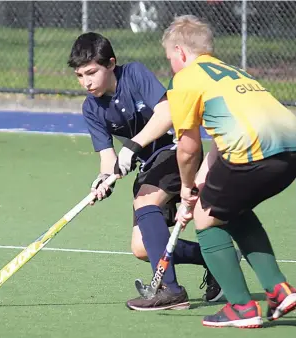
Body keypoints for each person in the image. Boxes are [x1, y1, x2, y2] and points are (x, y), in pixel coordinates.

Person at [116, 14, 296, 327]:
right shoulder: (230, 72)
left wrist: (187, 191)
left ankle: (241, 307)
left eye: (170, 58)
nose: (171, 64)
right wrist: (199, 182)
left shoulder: (185, 79)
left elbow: (188, 149)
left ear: (180, 53)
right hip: (289, 150)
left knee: (205, 215)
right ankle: (278, 289)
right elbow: (218, 140)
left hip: (252, 151)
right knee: (231, 211)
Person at [67, 32, 228, 311]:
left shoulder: (134, 74)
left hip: (177, 150)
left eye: (91, 73)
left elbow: (168, 113)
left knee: (144, 201)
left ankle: (170, 291)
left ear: (111, 64)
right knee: (143, 248)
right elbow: (108, 157)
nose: (86, 82)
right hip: (149, 166)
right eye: (80, 76)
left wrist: (132, 146)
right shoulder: (90, 107)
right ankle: (214, 258)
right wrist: (104, 180)